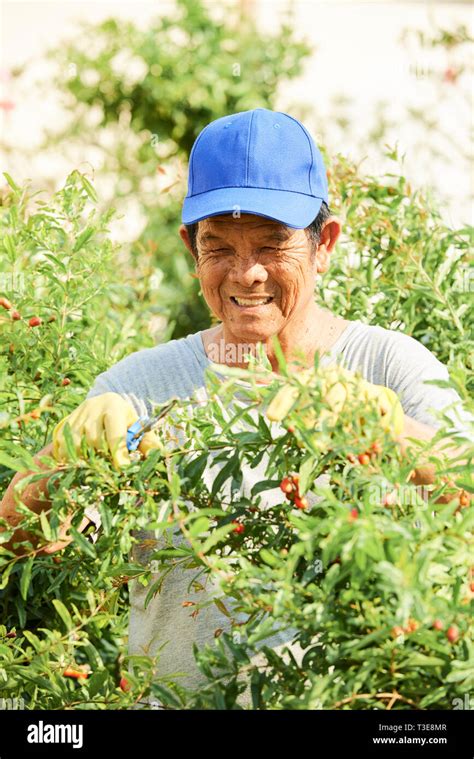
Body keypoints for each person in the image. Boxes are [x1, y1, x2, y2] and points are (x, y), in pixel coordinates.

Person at [1, 108, 471, 708]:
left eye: (274, 245)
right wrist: (53, 463)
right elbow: (19, 552)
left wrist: (390, 436)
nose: (246, 274)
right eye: (218, 246)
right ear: (190, 248)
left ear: (323, 244)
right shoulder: (140, 385)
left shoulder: (389, 366)